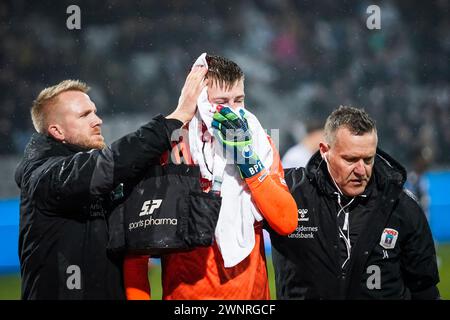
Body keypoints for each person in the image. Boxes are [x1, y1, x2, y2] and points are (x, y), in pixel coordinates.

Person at [14, 65, 208, 299]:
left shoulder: (91, 172)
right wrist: (174, 120)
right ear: (57, 131)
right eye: (84, 115)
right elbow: (103, 166)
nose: (98, 120)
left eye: (94, 112)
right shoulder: (43, 175)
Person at [123, 54, 298, 300]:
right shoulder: (169, 151)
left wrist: (246, 159)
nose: (233, 111)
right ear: (199, 101)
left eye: (239, 100)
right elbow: (136, 251)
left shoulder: (259, 145)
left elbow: (286, 221)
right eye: (221, 101)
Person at [268, 106, 440, 299]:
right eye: (350, 159)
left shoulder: (401, 206)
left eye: (368, 159)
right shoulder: (289, 192)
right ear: (325, 151)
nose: (361, 170)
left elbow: (424, 289)